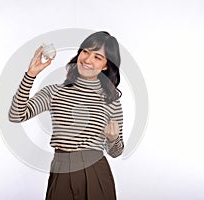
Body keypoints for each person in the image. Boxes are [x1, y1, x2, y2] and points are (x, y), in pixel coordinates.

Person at [8, 31, 124, 200]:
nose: (87, 59)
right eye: (85, 51)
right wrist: (30, 75)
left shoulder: (111, 101)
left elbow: (116, 152)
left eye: (97, 57)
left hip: (95, 172)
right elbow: (16, 115)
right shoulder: (55, 92)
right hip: (60, 170)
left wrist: (113, 138)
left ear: (106, 65)